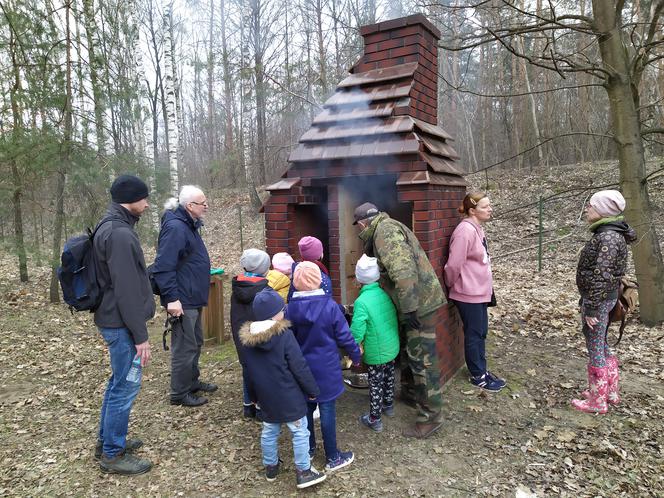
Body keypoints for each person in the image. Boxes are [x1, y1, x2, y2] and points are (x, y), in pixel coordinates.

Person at [353, 201, 446, 439]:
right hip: (414, 303)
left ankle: (431, 417)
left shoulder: (384, 231)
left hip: (418, 305)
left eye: (358, 227)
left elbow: (403, 272)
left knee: (423, 360)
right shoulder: (388, 227)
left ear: (363, 223)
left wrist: (410, 309)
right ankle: (412, 395)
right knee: (411, 354)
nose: (358, 231)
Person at [93, 174, 155, 475]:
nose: (146, 204)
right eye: (144, 198)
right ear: (130, 199)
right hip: (121, 323)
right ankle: (113, 455)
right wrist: (141, 336)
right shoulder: (119, 234)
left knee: (118, 383)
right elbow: (126, 290)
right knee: (125, 387)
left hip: (115, 319)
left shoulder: (112, 225)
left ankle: (106, 441)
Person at [240, 288, 327, 489]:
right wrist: (312, 389)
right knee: (300, 432)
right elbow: (299, 366)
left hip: (266, 397)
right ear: (275, 314)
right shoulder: (284, 335)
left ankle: (271, 467)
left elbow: (248, 372)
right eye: (281, 309)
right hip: (289, 396)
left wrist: (253, 396)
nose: (284, 312)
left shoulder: (248, 342)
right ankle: (304, 471)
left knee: (269, 431)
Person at [285, 262, 361, 471]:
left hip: (301, 370)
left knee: (307, 409)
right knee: (327, 410)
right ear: (319, 280)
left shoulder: (289, 309)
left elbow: (286, 341)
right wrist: (355, 355)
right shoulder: (330, 307)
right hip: (327, 369)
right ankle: (332, 456)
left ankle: (308, 450)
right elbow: (344, 336)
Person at [571, 190, 635, 414]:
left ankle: (597, 400)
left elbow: (602, 275)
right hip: (605, 299)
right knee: (601, 343)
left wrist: (591, 307)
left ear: (603, 210)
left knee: (595, 346)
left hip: (599, 301)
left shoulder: (607, 237)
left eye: (591, 205)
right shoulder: (610, 233)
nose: (587, 209)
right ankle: (610, 391)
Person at [152, 185, 215, 407]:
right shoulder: (176, 228)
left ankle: (192, 382)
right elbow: (163, 267)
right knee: (184, 346)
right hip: (182, 298)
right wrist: (171, 299)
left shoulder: (188, 225)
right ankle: (179, 394)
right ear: (190, 206)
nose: (206, 206)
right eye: (203, 202)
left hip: (192, 295)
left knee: (195, 342)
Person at [444, 192, 506, 392]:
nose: (490, 209)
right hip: (467, 293)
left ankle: (483, 370)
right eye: (485, 206)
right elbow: (453, 265)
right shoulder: (464, 231)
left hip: (480, 292)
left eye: (490, 205)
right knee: (473, 334)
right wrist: (451, 285)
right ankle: (477, 376)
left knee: (480, 333)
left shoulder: (477, 228)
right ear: (472, 210)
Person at [350, 254, 400, 433]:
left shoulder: (361, 302)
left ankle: (375, 418)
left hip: (376, 352)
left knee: (375, 383)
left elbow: (357, 330)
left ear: (359, 280)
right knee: (389, 377)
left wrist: (353, 346)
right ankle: (389, 405)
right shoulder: (384, 294)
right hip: (391, 346)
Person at [230, 248, 270, 419]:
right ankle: (261, 409)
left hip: (241, 336)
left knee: (247, 368)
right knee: (262, 372)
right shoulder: (264, 290)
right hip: (259, 337)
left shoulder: (237, 286)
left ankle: (248, 406)